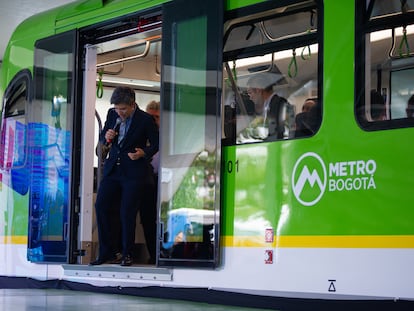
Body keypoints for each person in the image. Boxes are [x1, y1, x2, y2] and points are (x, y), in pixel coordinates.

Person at [90, 86, 159, 266]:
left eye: (123, 109)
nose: (119, 112)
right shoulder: (112, 115)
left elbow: (156, 143)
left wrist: (143, 153)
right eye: (117, 108)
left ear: (132, 104)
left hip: (133, 171)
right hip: (113, 169)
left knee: (127, 212)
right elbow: (104, 139)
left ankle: (127, 253)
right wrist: (107, 137)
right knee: (101, 206)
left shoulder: (145, 120)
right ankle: (106, 252)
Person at [238, 73, 290, 142]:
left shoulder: (279, 104)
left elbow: (278, 132)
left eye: (250, 93)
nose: (250, 97)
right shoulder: (267, 106)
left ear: (258, 90)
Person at [139, 100, 160, 264]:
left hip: (165, 179)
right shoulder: (141, 133)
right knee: (147, 218)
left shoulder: (169, 135)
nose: (153, 121)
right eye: (150, 117)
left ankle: (164, 253)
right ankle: (154, 254)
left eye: (157, 118)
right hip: (146, 178)